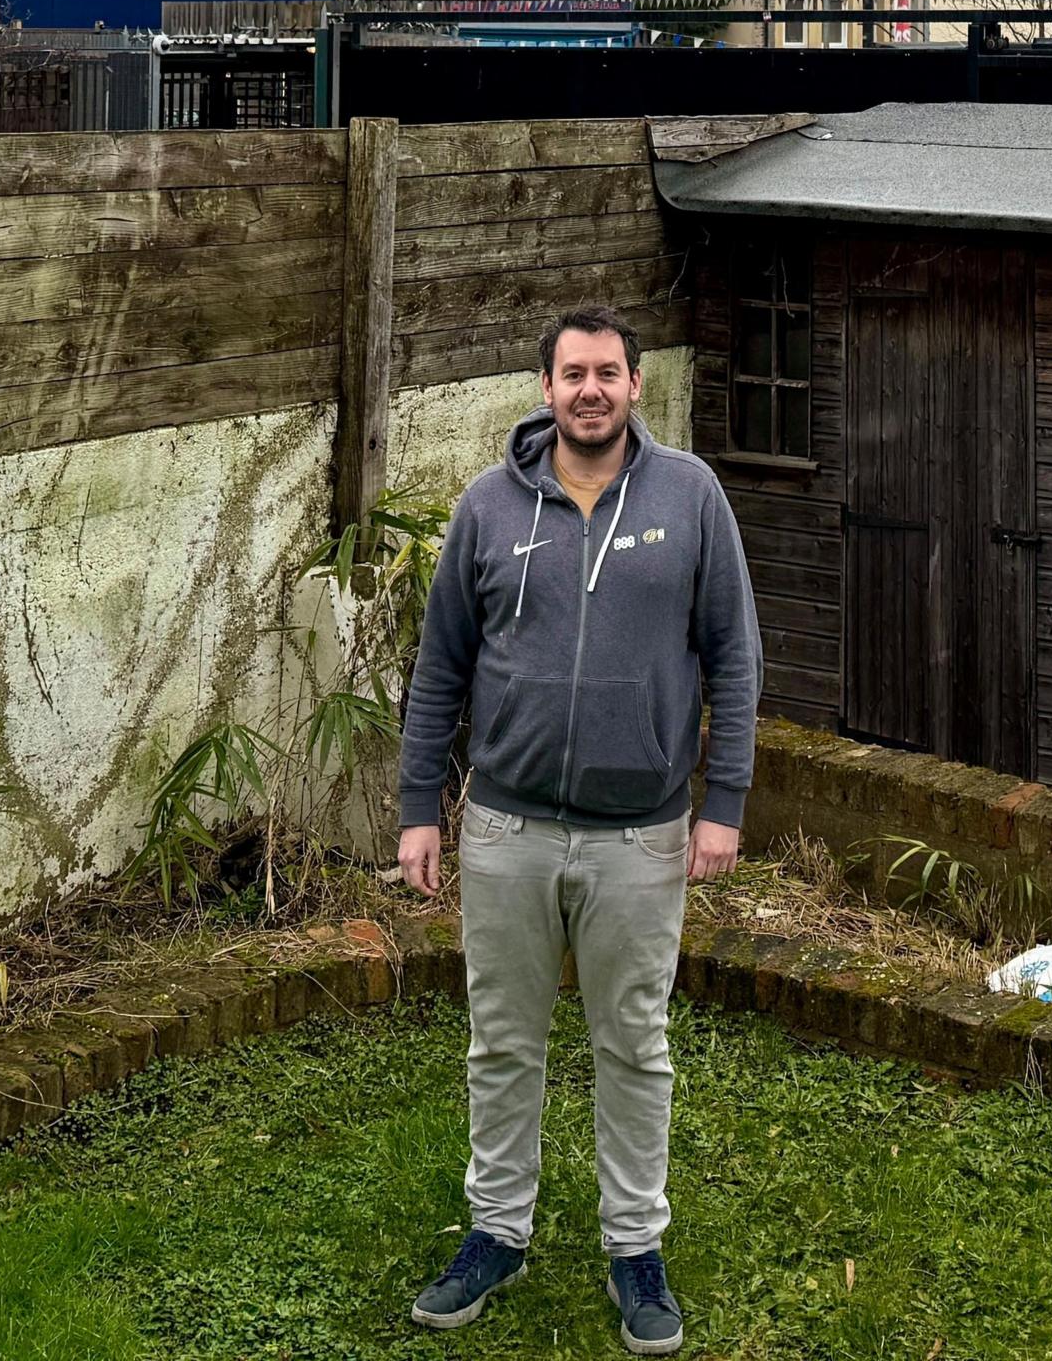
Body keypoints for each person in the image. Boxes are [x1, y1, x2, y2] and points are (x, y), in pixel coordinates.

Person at [393, 305, 759, 1357]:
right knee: (501, 1043)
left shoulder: (691, 498)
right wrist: (424, 808)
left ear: (637, 385)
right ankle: (496, 1232)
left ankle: (635, 1247)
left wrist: (722, 803)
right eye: (571, 374)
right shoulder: (488, 508)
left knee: (632, 1047)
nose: (589, 390)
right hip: (505, 826)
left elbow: (733, 659)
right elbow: (440, 670)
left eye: (608, 372)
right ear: (545, 388)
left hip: (639, 837)